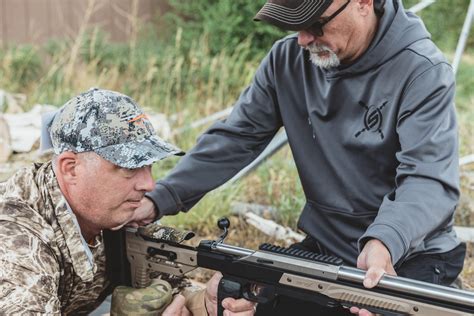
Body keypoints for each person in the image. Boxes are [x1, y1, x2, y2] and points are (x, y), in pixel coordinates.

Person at [133, 0, 466, 315]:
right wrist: (160, 198)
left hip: (410, 252)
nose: (304, 39)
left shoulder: (422, 70)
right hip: (327, 249)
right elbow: (235, 138)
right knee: (238, 299)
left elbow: (427, 179)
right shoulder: (287, 61)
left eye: (315, 24)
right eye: (293, 25)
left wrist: (385, 241)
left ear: (364, 3)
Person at [0, 88, 255, 315]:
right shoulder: (16, 239)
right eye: (129, 169)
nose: (149, 185)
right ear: (71, 169)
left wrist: (206, 305)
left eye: (149, 166)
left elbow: (167, 288)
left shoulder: (109, 213)